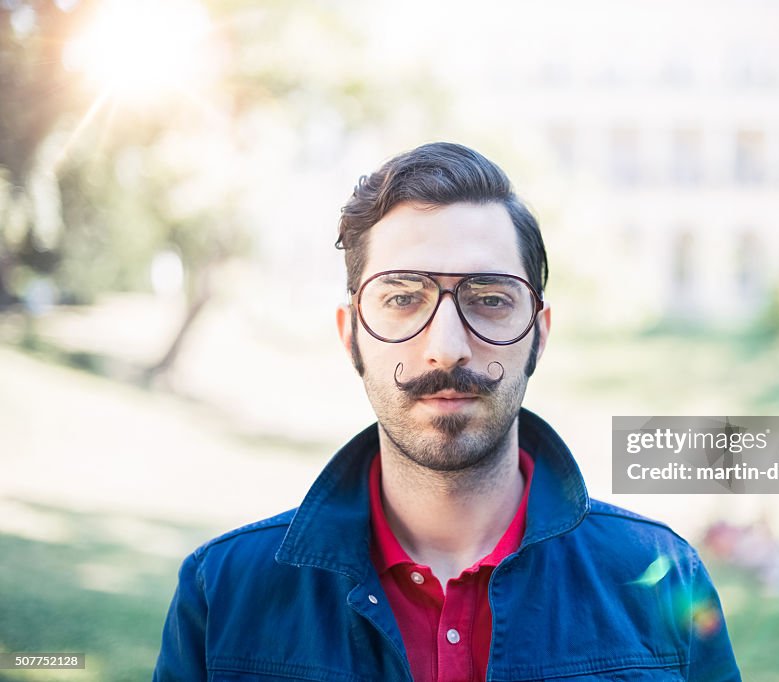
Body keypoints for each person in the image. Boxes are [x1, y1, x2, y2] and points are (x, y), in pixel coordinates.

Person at [153, 142, 741, 681]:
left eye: (489, 299)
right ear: (351, 334)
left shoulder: (663, 578)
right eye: (403, 298)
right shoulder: (222, 594)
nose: (448, 345)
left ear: (538, 334)